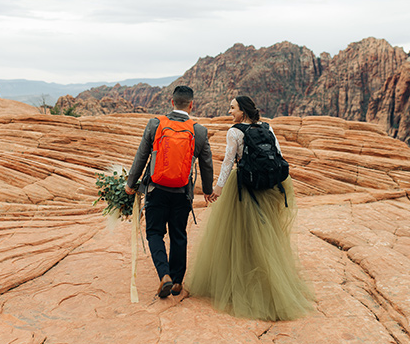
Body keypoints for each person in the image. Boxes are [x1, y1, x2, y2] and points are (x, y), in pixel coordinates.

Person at [186, 95, 315, 321]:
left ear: (243, 111)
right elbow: (279, 156)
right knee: (267, 235)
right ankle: (274, 284)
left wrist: (218, 188)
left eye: (233, 108)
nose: (230, 111)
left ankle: (244, 285)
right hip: (268, 187)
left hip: (245, 187)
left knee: (242, 236)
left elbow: (228, 162)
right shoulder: (267, 127)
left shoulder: (235, 132)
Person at [125, 85, 213, 299]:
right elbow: (207, 164)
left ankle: (164, 274)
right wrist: (208, 191)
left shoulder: (155, 124)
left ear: (171, 102)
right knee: (178, 234)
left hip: (156, 189)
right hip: (182, 192)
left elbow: (141, 156)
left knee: (155, 233)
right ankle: (177, 282)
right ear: (192, 105)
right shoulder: (199, 131)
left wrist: (130, 183)